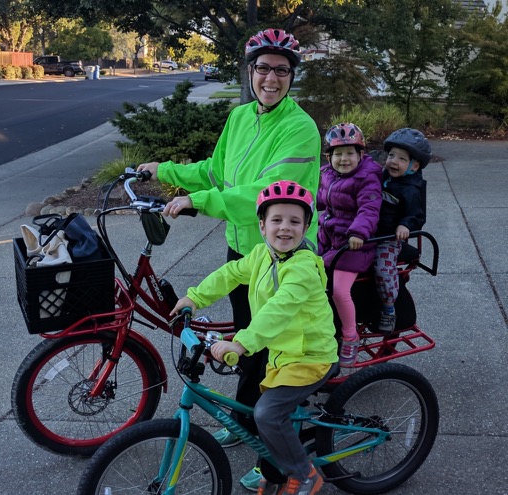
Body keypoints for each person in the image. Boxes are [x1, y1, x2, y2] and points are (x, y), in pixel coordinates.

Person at [138, 27, 321, 489]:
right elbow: (215, 171)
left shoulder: (300, 128)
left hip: (285, 251)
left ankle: (279, 452)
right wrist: (167, 171)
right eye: (263, 68)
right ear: (251, 71)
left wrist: (200, 201)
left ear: (291, 76)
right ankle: (250, 424)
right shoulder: (240, 116)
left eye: (282, 70)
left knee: (271, 345)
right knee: (248, 339)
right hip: (245, 247)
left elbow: (269, 196)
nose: (271, 78)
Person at [171, 181, 338, 495]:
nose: (284, 228)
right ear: (262, 226)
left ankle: (304, 475)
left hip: (309, 357)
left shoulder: (302, 268)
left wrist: (241, 343)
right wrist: (194, 298)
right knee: (265, 412)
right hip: (281, 353)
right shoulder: (263, 254)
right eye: (276, 220)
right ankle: (276, 472)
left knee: (267, 413)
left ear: (306, 227)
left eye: (294, 221)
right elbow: (231, 272)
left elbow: (278, 309)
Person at [317, 123, 382, 367]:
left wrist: (358, 232)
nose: (344, 159)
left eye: (350, 153)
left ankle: (350, 336)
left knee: (338, 291)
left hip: (354, 247)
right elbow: (319, 201)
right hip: (328, 240)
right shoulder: (328, 174)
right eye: (338, 154)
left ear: (361, 155)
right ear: (329, 157)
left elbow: (370, 208)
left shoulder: (367, 177)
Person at [374, 128, 431, 334]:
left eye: (401, 158)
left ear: (414, 166)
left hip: (389, 239)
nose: (393, 161)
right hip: (369, 232)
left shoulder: (410, 190)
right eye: (391, 155)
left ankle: (389, 309)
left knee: (383, 269)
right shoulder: (382, 177)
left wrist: (405, 225)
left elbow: (417, 215)